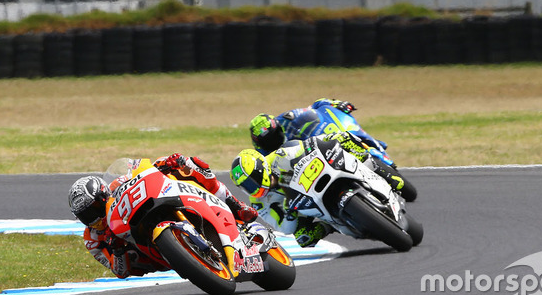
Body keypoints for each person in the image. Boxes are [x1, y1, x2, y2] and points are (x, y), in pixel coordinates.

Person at [68, 153, 258, 279]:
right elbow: (119, 271)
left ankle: (234, 204)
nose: (94, 219)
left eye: (94, 209)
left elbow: (143, 172)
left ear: (103, 195)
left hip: (150, 204)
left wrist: (165, 163)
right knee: (131, 256)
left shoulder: (117, 184)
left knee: (190, 165)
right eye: (86, 216)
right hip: (148, 253)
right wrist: (117, 250)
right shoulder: (92, 239)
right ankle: (183, 254)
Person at [230, 131, 404, 248]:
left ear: (261, 169)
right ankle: (331, 226)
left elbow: (306, 145)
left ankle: (383, 172)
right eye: (246, 187)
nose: (251, 189)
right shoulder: (259, 203)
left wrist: (326, 140)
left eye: (251, 182)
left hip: (316, 178)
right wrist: (289, 211)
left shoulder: (278, 156)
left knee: (343, 138)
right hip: (302, 209)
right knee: (303, 238)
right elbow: (284, 227)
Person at [249, 98, 388, 155]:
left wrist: (336, 103)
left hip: (316, 146)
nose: (273, 140)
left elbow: (315, 107)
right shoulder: (263, 155)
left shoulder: (286, 119)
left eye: (274, 134)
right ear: (259, 143)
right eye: (267, 140)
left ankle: (375, 147)